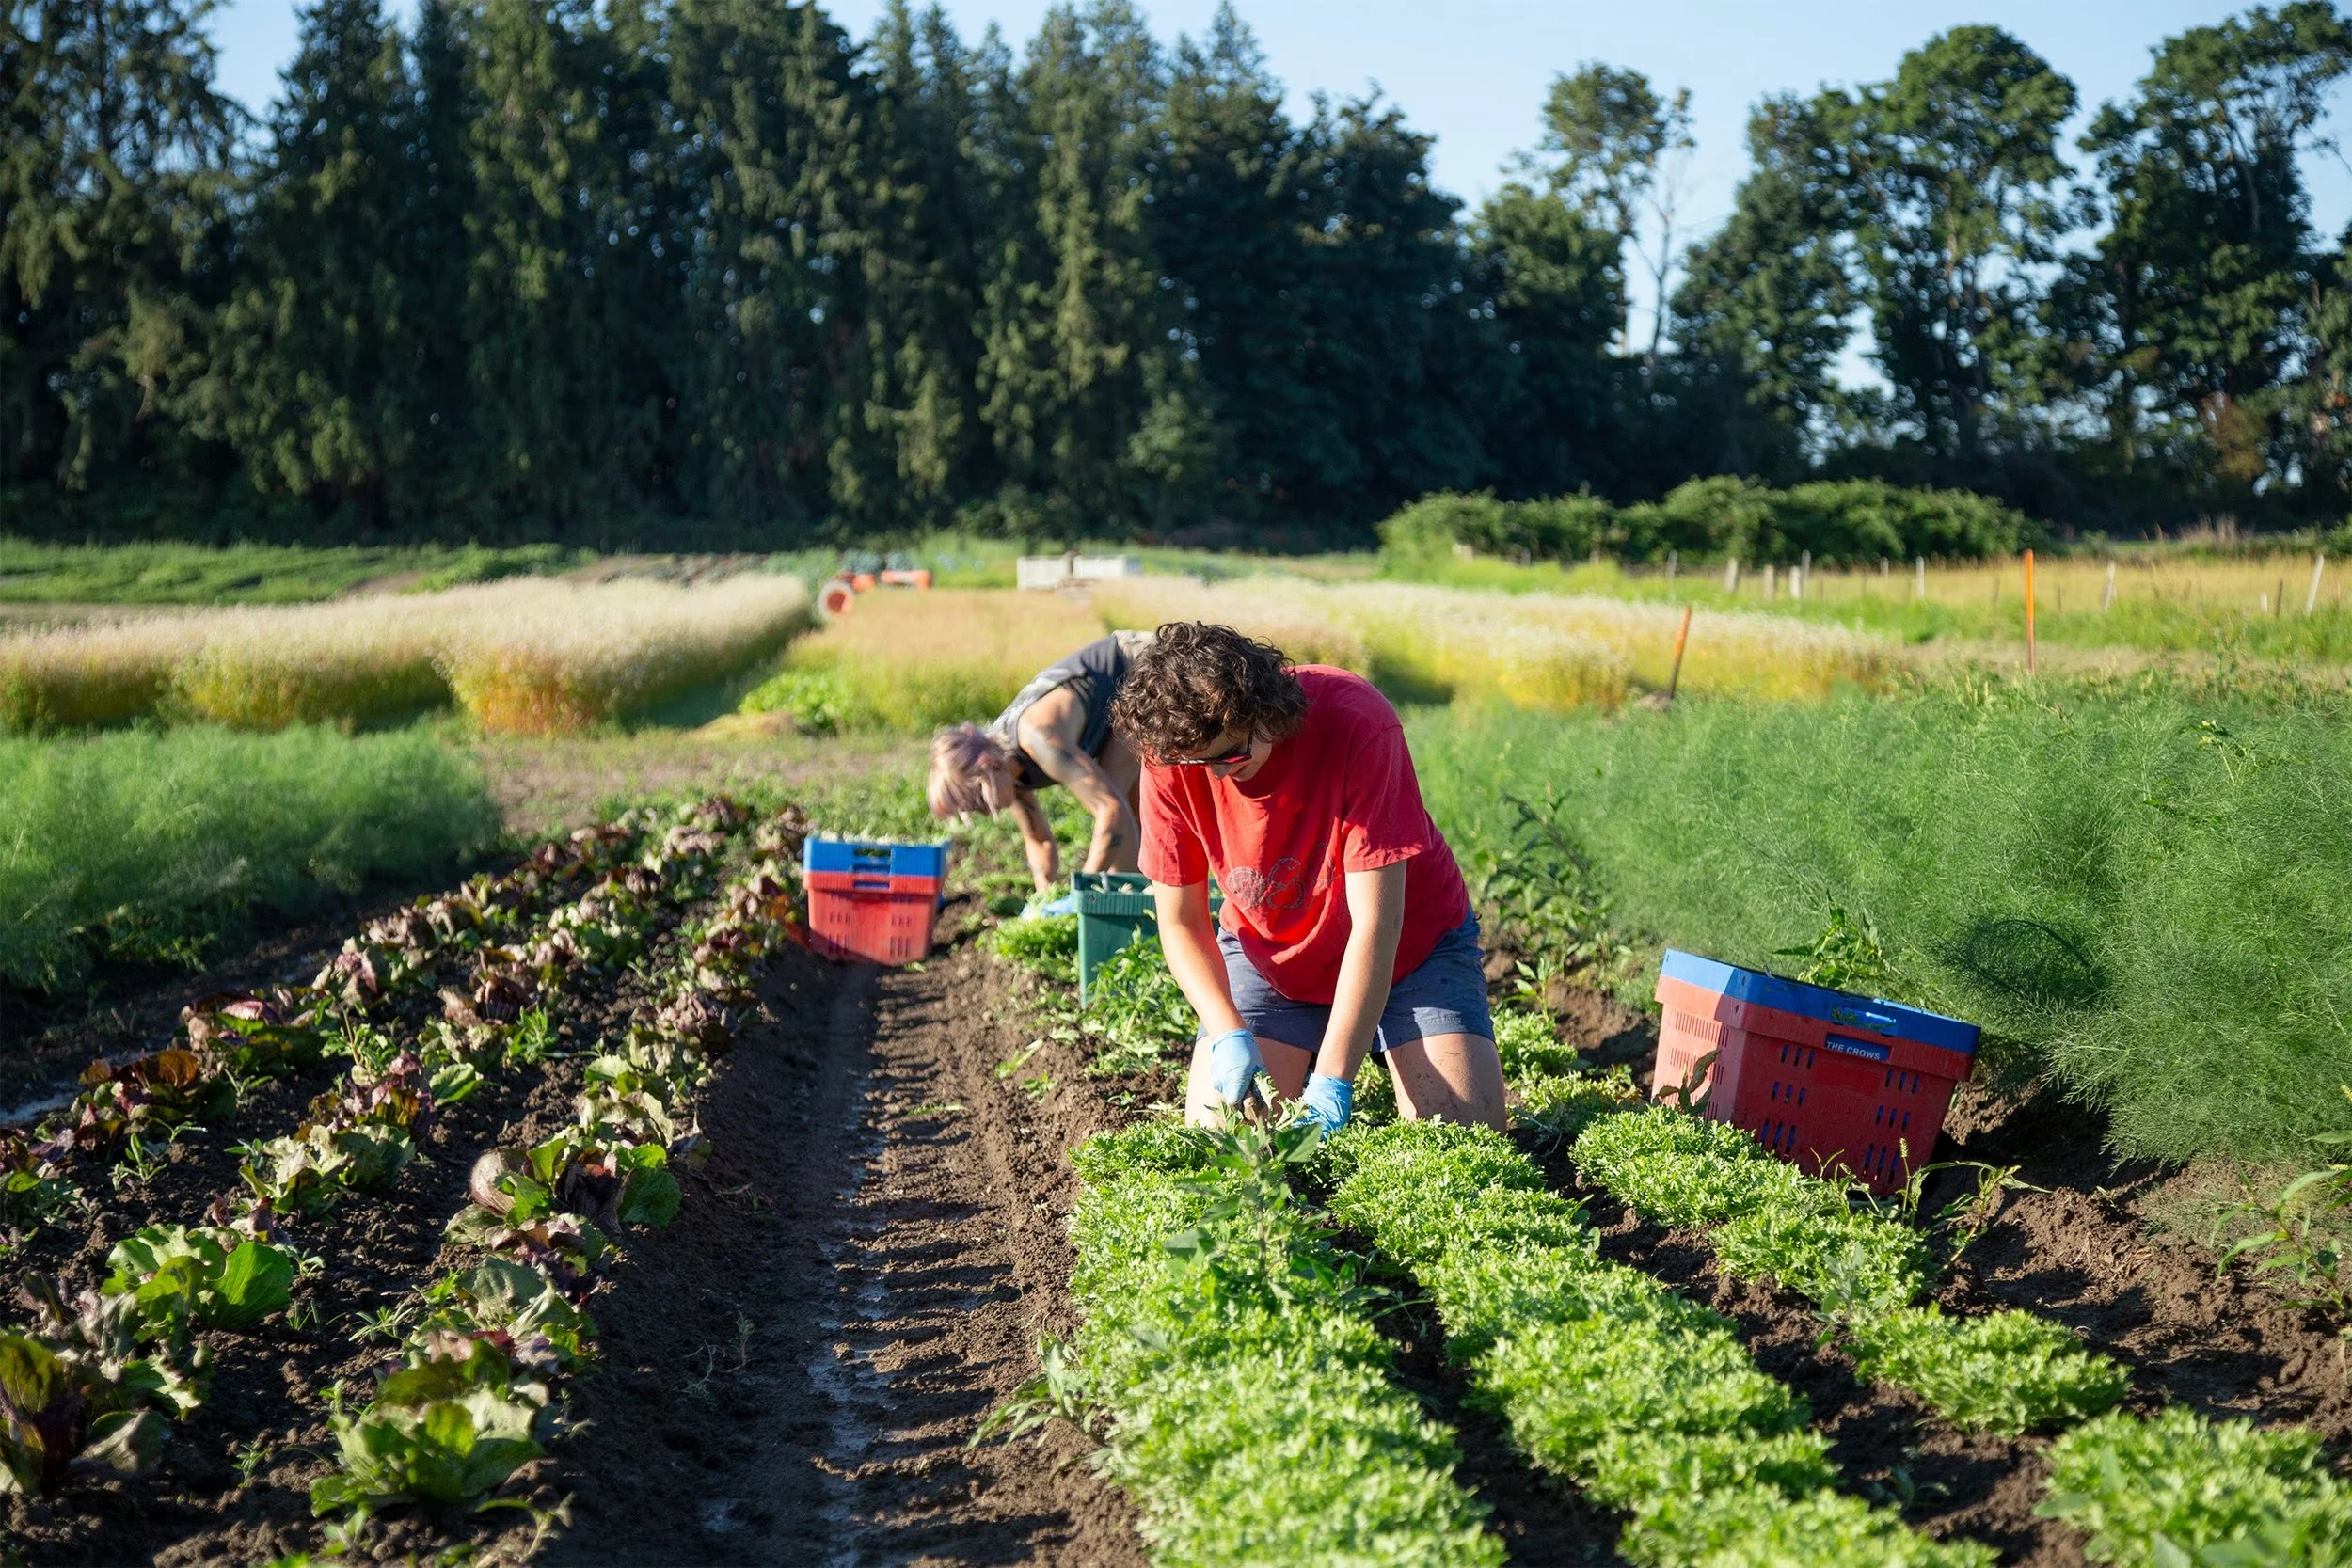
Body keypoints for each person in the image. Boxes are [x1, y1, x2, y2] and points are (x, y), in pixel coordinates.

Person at [1111, 621, 1505, 1134]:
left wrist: (1334, 1080)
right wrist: (1228, 1034)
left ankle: (1392, 1051)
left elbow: (1375, 926)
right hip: (1270, 955)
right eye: (1197, 763)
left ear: (1264, 713)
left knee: (1461, 1138)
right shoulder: (1174, 751)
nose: (1217, 776)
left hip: (1411, 950)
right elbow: (1181, 922)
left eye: (1231, 755)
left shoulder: (1356, 721)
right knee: (1226, 1141)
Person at [928, 630, 1156, 899]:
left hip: (1141, 666)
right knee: (1126, 802)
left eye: (978, 800)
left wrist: (1079, 897)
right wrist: (1043, 898)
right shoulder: (1008, 772)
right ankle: (1140, 902)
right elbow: (1040, 840)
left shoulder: (1039, 738)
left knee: (1118, 794)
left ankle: (1130, 907)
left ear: (987, 765)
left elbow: (1111, 811)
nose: (985, 812)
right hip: (1117, 700)